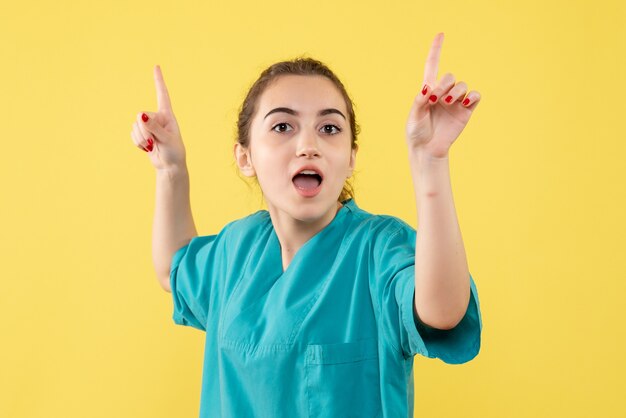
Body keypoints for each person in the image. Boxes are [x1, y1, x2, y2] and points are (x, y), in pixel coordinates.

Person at [131, 32, 483, 418]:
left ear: (350, 157)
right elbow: (174, 268)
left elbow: (443, 310)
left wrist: (430, 162)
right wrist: (171, 169)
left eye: (329, 128)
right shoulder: (237, 248)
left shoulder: (378, 248)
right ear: (245, 156)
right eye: (283, 127)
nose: (307, 145)